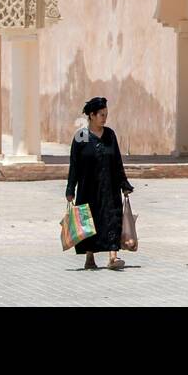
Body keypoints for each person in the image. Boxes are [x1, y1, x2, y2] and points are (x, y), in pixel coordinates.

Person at [65, 97, 134, 270]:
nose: (105, 118)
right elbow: (74, 165)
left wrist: (124, 184)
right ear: (92, 115)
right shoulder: (81, 137)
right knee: (90, 221)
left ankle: (113, 256)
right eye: (101, 115)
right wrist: (70, 188)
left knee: (112, 218)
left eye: (106, 114)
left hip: (110, 187)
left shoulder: (110, 135)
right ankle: (90, 257)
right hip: (88, 188)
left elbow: (117, 162)